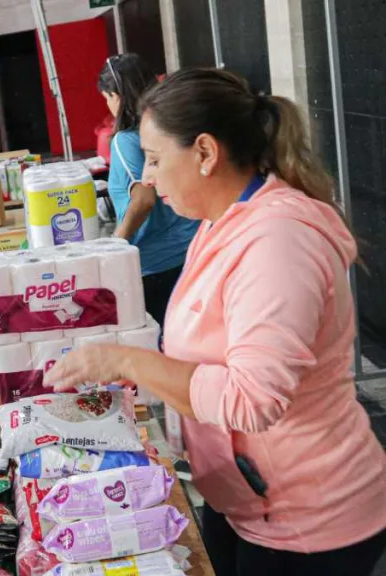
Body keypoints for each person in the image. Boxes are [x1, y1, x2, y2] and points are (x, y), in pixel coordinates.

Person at [45, 68, 386, 575]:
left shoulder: (277, 243)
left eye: (156, 160)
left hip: (307, 520)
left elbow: (251, 399)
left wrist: (124, 358)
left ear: (205, 152)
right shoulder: (221, 221)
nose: (150, 178)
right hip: (249, 501)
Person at [97, 53, 198, 325]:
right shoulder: (170, 130)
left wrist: (115, 245)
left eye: (107, 97)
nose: (107, 105)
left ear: (117, 96)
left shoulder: (125, 141)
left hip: (156, 264)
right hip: (191, 249)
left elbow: (143, 199)